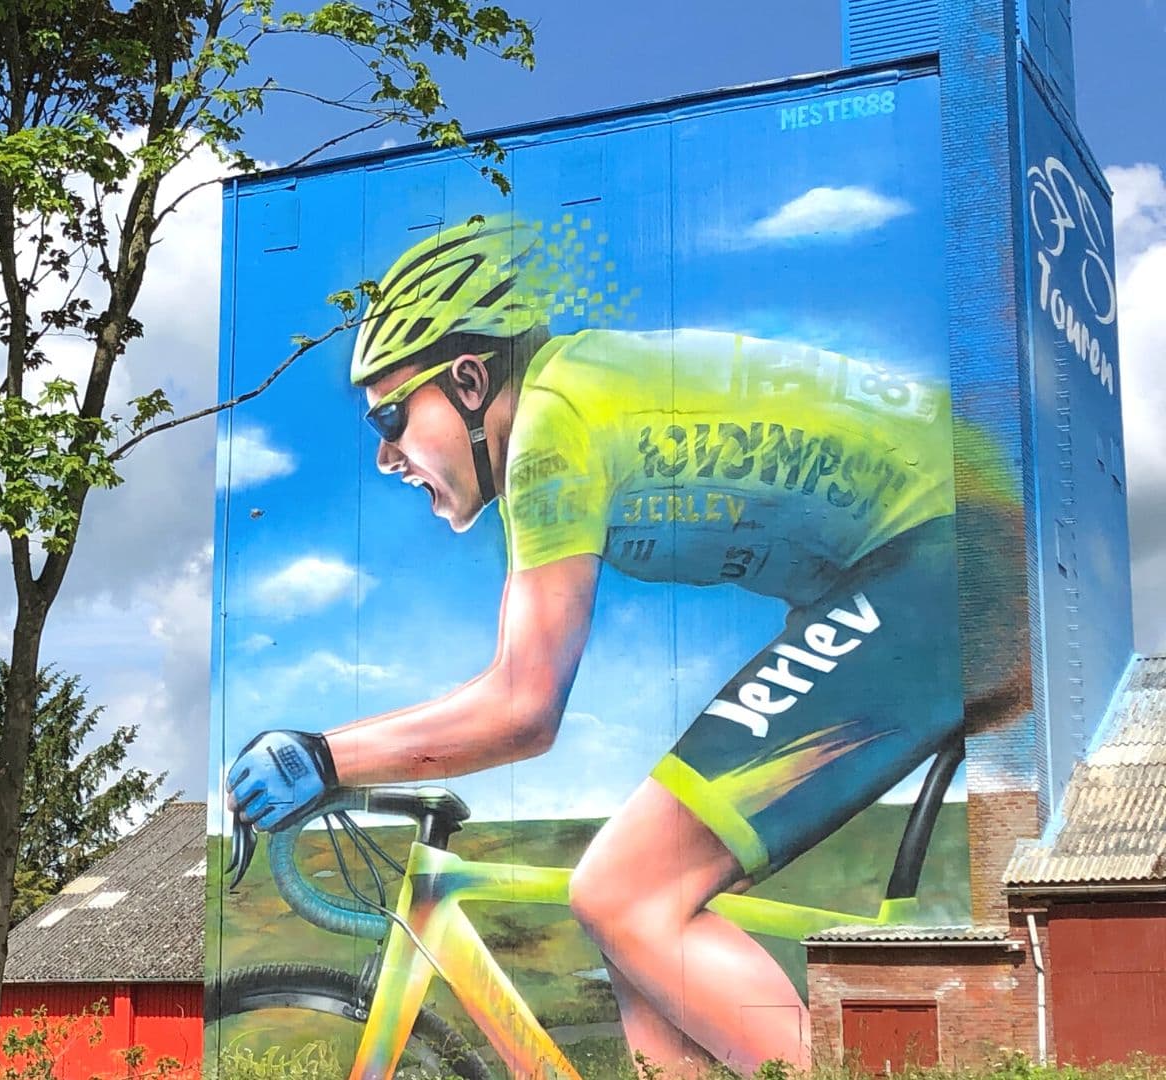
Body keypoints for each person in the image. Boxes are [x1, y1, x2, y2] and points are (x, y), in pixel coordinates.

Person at [225, 215, 983, 1072]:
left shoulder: (553, 430)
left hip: (945, 556)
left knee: (625, 890)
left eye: (392, 417)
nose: (387, 457)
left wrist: (323, 759)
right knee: (638, 930)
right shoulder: (576, 394)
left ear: (471, 380)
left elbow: (522, 707)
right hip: (922, 554)